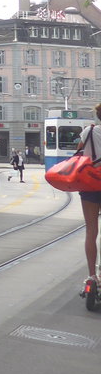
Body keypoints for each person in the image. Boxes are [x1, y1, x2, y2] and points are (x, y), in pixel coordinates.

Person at [77, 104, 101, 295]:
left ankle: (92, 275)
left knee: (91, 230)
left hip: (90, 185)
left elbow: (77, 155)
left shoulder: (88, 132)